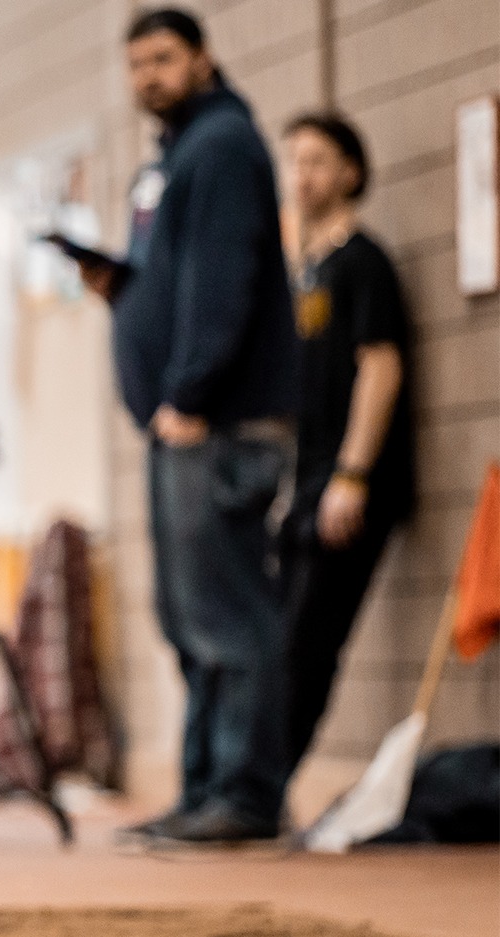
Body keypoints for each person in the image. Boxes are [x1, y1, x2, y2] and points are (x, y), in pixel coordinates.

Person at [76, 9, 299, 843]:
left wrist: (193, 394)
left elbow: (226, 281)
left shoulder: (224, 147)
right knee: (190, 617)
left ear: (203, 58)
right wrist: (123, 290)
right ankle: (205, 787)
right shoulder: (177, 159)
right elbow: (179, 282)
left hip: (218, 424)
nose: (149, 78)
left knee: (230, 614)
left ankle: (245, 796)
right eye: (136, 65)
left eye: (164, 59)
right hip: (184, 426)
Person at [278, 113, 417, 778]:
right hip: (306, 482)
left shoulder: (365, 263)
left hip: (350, 485)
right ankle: (256, 785)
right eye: (294, 162)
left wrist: (353, 473)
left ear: (350, 173)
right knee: (279, 643)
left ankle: (268, 788)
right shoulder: (308, 271)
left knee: (308, 645)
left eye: (317, 162)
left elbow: (381, 368)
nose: (302, 176)